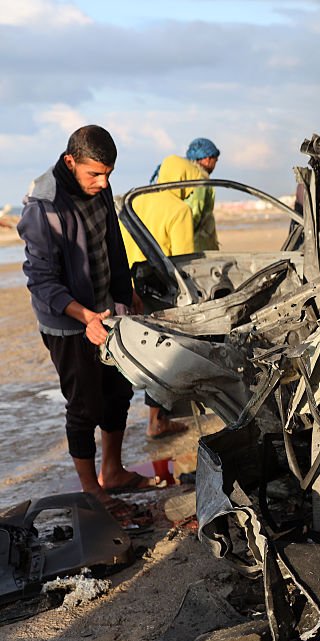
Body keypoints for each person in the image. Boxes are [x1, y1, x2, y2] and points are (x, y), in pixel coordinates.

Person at [17, 125, 159, 521]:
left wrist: (124, 288)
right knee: (84, 404)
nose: (102, 182)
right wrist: (85, 318)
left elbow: (112, 240)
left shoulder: (101, 185)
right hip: (66, 321)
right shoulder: (43, 206)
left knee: (118, 389)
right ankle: (91, 490)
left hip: (105, 308)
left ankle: (112, 472)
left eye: (108, 174)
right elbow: (42, 281)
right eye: (94, 174)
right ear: (70, 162)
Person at [122, 155, 198, 438]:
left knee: (144, 353)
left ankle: (154, 419)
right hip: (163, 292)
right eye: (189, 183)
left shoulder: (137, 200)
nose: (190, 191)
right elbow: (185, 262)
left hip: (129, 289)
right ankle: (158, 421)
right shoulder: (179, 209)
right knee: (169, 354)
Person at [151, 138, 220, 251]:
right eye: (215, 160)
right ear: (207, 159)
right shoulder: (200, 179)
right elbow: (194, 214)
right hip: (197, 248)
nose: (215, 165)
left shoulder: (185, 173)